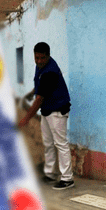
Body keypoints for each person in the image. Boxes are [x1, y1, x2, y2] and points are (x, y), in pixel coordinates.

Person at [18, 42, 74, 190]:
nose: (39, 61)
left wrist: (25, 119)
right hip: (47, 110)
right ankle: (50, 174)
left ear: (48, 56)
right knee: (48, 143)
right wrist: (31, 93)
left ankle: (67, 178)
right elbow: (39, 84)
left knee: (61, 144)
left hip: (57, 111)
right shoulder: (41, 66)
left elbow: (39, 99)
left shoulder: (50, 71)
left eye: (42, 58)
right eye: (37, 58)